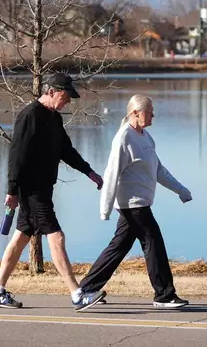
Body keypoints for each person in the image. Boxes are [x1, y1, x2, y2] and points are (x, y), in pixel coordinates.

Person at [0, 73, 107, 312]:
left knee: (21, 237)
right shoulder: (30, 115)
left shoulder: (54, 119)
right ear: (50, 91)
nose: (69, 100)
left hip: (43, 188)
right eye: (66, 95)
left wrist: (89, 172)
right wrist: (12, 190)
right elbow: (16, 155)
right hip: (31, 189)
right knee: (56, 236)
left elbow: (66, 151)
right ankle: (77, 294)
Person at [78, 94, 193, 309]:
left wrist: (181, 190)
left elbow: (158, 170)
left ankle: (87, 288)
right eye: (149, 112)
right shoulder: (124, 138)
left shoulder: (146, 138)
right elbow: (112, 173)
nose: (153, 116)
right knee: (153, 242)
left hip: (140, 204)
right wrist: (105, 208)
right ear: (135, 113)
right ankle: (164, 295)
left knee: (118, 247)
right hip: (132, 204)